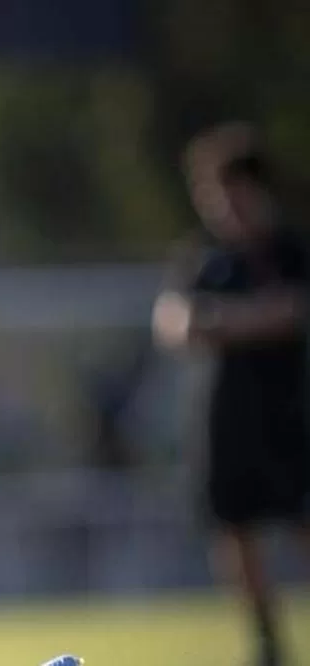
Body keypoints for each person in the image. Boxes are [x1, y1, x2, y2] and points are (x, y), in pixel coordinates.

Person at [153, 122, 310, 666]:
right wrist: (243, 320)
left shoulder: (290, 251)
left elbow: (291, 312)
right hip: (224, 422)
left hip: (292, 418)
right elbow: (172, 323)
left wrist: (222, 321)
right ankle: (268, 642)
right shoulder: (201, 257)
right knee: (235, 533)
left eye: (228, 191)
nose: (220, 206)